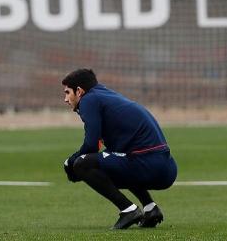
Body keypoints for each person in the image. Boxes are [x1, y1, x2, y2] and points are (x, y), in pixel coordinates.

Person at [61, 68, 177, 229]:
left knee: (82, 164)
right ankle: (150, 208)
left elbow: (91, 145)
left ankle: (128, 210)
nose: (65, 99)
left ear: (79, 91)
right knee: (118, 158)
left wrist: (70, 162)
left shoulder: (89, 100)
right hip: (166, 168)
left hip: (149, 164)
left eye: (67, 92)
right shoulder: (104, 96)